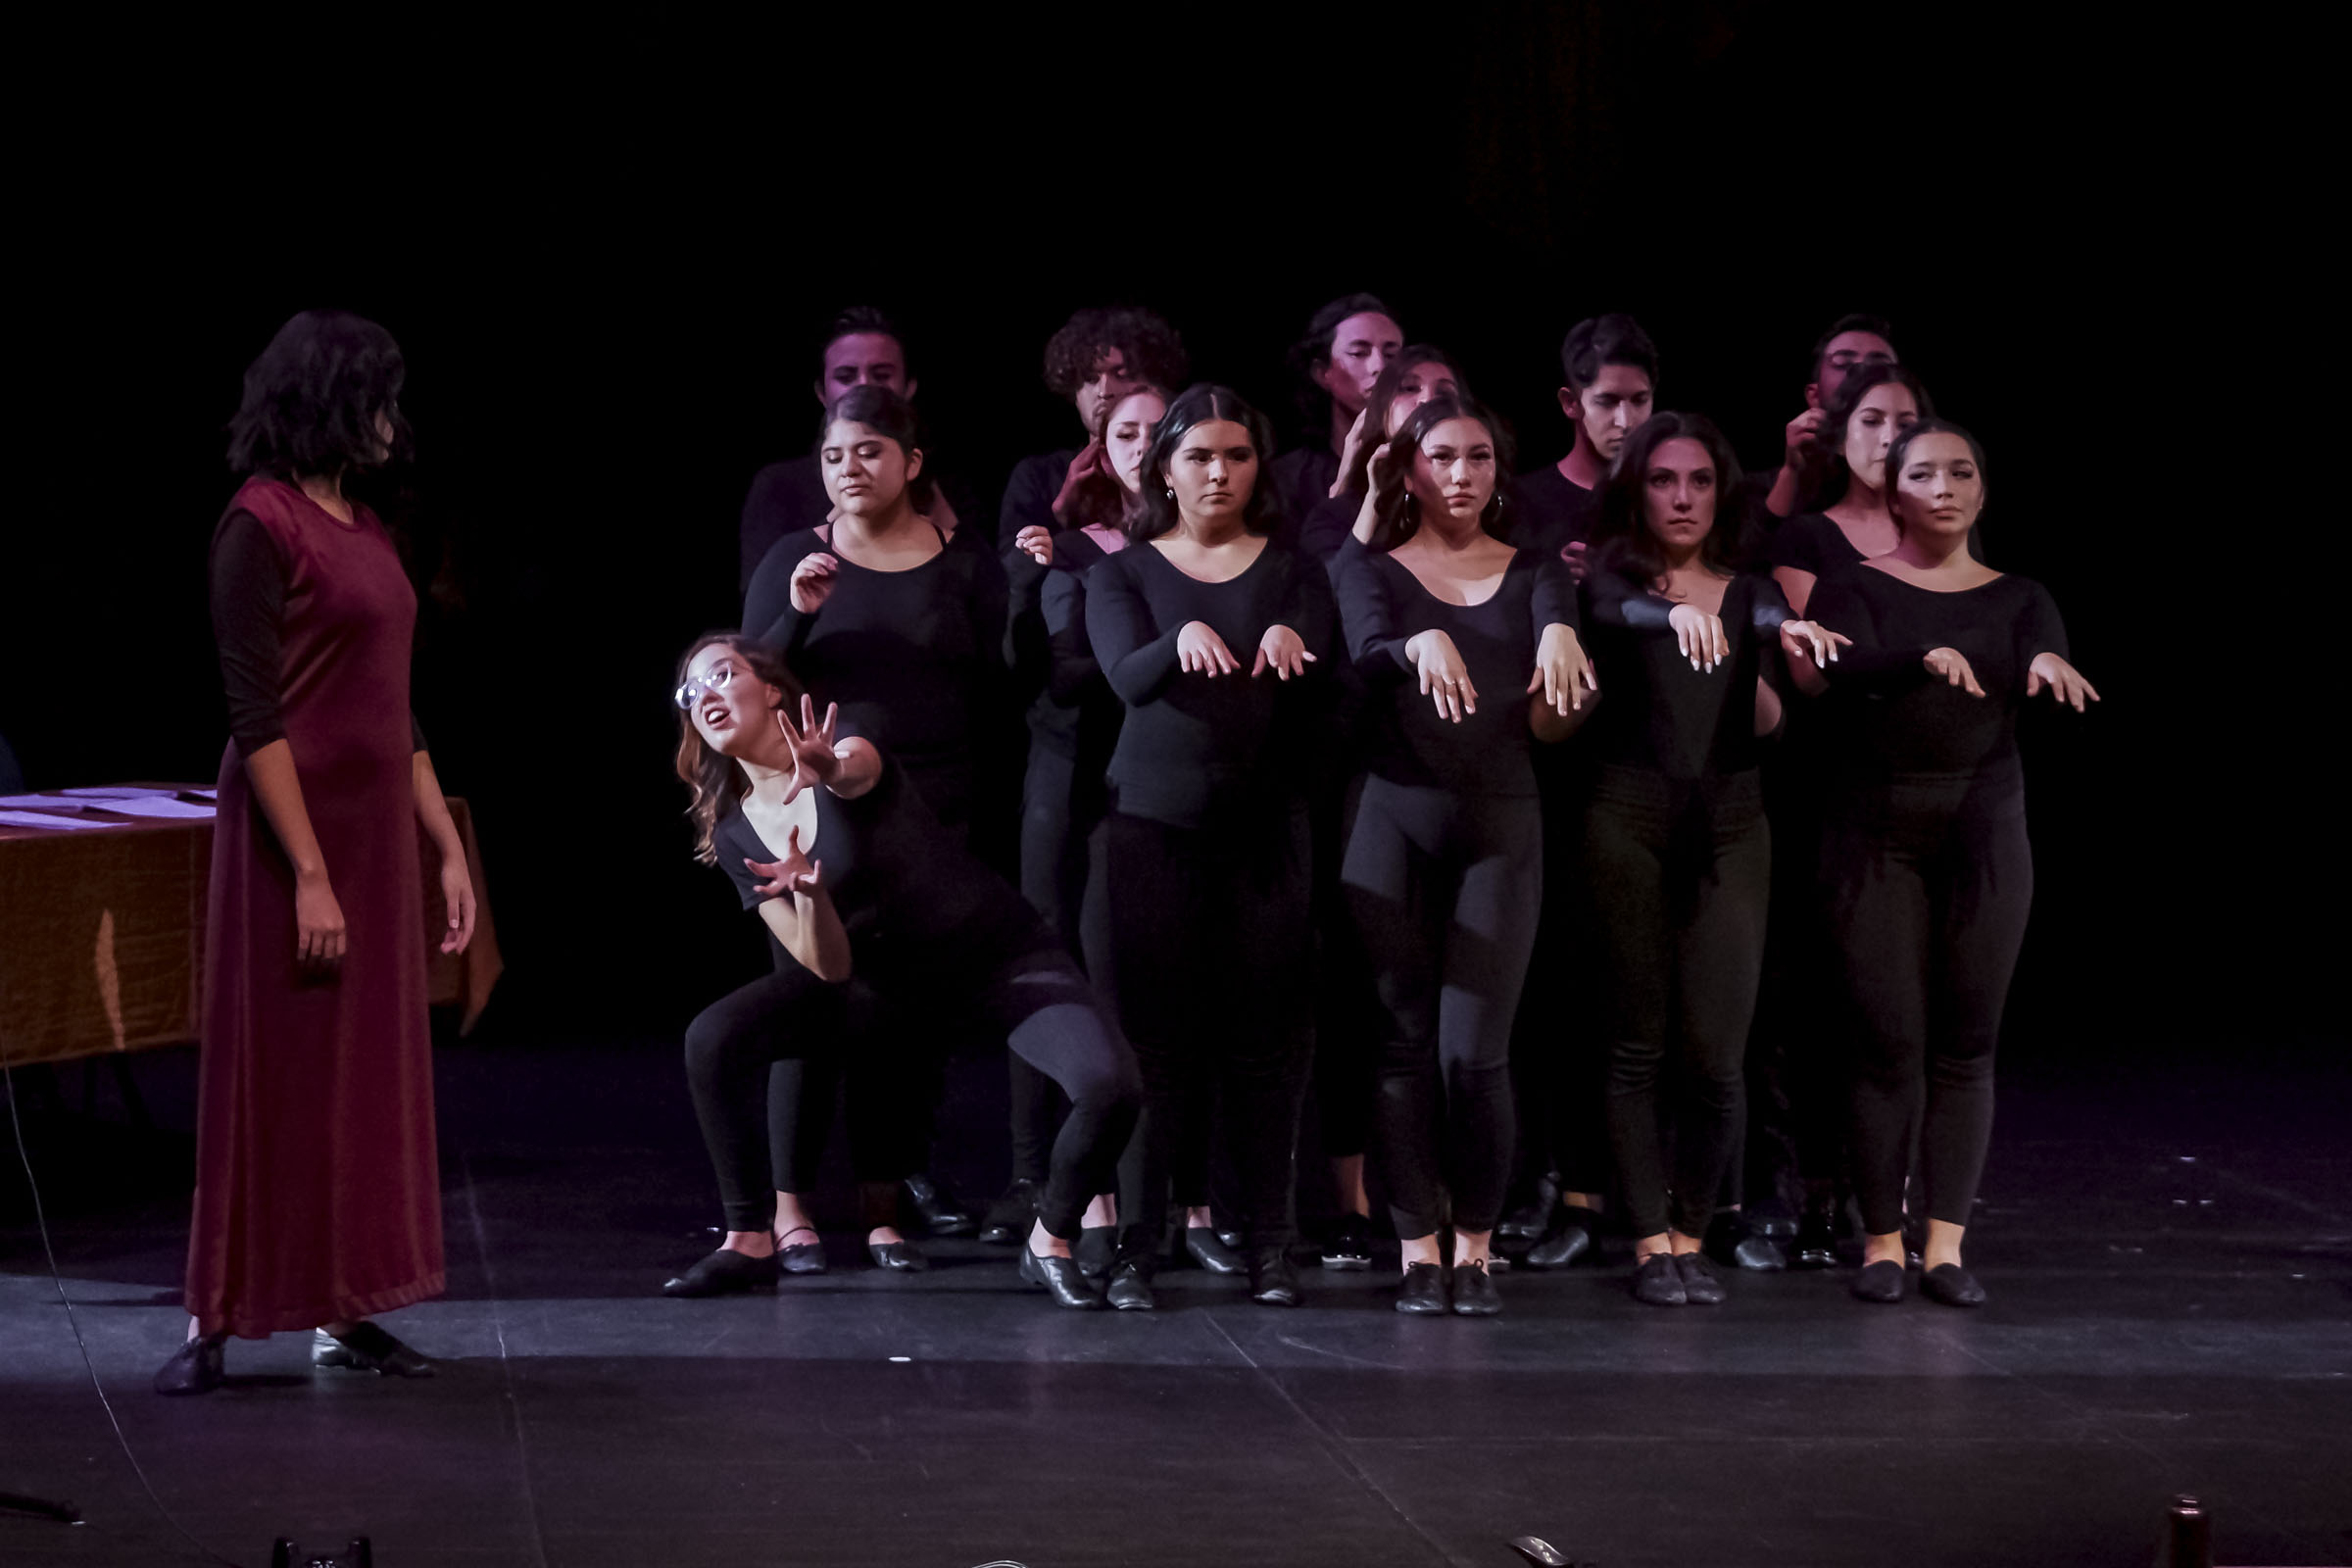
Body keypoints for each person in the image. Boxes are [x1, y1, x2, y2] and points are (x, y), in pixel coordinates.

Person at [157, 311, 478, 1396]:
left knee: (362, 1083)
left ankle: (350, 1308)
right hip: (291, 841)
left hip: (375, 838)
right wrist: (308, 872)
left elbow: (397, 706)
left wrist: (445, 847)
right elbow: (258, 714)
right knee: (277, 1075)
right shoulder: (260, 524)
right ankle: (217, 1311)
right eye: (379, 400)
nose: (394, 423)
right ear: (333, 401)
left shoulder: (372, 527)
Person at [665, 636, 1142, 1310]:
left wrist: (824, 767)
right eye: (691, 692)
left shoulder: (848, 738)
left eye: (721, 675)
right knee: (711, 1037)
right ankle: (748, 1238)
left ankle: (1050, 1238)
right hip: (881, 987)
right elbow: (825, 966)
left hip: (991, 956)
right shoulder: (742, 832)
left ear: (771, 688)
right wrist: (812, 893)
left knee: (1111, 1086)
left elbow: (856, 770)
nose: (705, 695)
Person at [1797, 419, 2096, 1308]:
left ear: (1982, 489)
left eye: (1961, 471)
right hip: (1876, 834)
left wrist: (2045, 660)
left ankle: (1946, 1244)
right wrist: (1918, 658)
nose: (1944, 487)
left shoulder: (2020, 594)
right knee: (1887, 1043)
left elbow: (2043, 646)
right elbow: (1841, 671)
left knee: (1967, 1043)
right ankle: (1881, 1239)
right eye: (1923, 474)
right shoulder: (1856, 587)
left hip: (1983, 832)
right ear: (1894, 494)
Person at [742, 386, 1020, 1259]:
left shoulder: (963, 560)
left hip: (930, 812)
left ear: (912, 462)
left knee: (903, 1015)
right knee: (810, 1002)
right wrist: (798, 610)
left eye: (867, 451)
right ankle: (790, 1208)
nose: (849, 469)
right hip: (816, 813)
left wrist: (1041, 577)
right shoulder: (798, 555)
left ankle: (883, 1205)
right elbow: (750, 687)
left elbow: (1004, 678)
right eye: (834, 456)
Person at [1331, 397, 1593, 1315]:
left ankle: (1475, 1247)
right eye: (1441, 457)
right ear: (1407, 472)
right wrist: (1418, 639)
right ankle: (1415, 1248)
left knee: (1475, 1055)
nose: (1461, 474)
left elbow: (1557, 723)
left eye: (1479, 457)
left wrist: (1563, 643)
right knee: (1402, 1049)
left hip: (1500, 826)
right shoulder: (1371, 568)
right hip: (1391, 823)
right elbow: (1363, 656)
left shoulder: (1536, 576)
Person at [1577, 413, 1845, 1308]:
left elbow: (1763, 605)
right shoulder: (1605, 581)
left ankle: (1692, 1230)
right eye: (1663, 480)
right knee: (1635, 1045)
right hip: (1629, 814)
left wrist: (1788, 629)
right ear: (1636, 489)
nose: (1682, 497)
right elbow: (1622, 610)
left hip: (1732, 821)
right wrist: (1677, 611)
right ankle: (1650, 1240)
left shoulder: (1749, 589)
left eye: (1697, 481)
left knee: (1717, 1056)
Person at [1085, 384, 1336, 1308]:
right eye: (1198, 456)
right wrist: (1181, 633)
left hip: (1266, 834)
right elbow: (1124, 674)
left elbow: (1326, 667)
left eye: (1235, 455)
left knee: (1267, 1051)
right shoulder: (1126, 572)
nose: (1218, 472)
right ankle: (1139, 1248)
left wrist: (1289, 636)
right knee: (1156, 1052)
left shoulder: (1294, 569)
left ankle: (1271, 1243)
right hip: (1153, 833)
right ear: (1165, 470)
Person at [988, 385, 1163, 1294]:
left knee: (1148, 1004)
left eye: (1154, 431)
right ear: (1099, 445)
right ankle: (1070, 1204)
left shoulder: (1198, 553)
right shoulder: (1067, 550)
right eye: (1122, 432)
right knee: (1063, 994)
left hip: (1161, 800)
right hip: (1070, 790)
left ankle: (1155, 1214)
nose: (1141, 446)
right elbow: (1043, 682)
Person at [737, 308, 973, 591]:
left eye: (882, 374)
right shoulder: (780, 486)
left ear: (909, 388)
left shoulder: (948, 483)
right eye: (846, 377)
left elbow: (984, 584)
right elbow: (760, 602)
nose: (865, 387)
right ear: (822, 393)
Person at [998, 306, 1190, 547]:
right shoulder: (1038, 477)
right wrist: (1061, 519)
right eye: (1090, 379)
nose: (1104, 391)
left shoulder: (1185, 470)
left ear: (1153, 381)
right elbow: (1009, 578)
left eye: (1122, 373)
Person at [1768, 363, 1936, 615]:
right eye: (1871, 421)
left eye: (1905, 425)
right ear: (1840, 439)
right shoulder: (1804, 538)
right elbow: (1808, 649)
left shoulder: (1944, 526)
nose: (1890, 438)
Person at [1509, 313, 1658, 564]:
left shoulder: (1667, 497)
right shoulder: (1521, 502)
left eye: (1639, 400)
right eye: (1607, 402)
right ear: (1570, 403)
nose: (1625, 421)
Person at [1297, 346, 1469, 560]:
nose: (1427, 400)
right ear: (1380, 411)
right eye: (1408, 388)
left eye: (1444, 393)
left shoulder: (1494, 500)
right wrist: (1369, 503)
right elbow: (1330, 585)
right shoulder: (1335, 515)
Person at [1271, 294, 1404, 527]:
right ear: (1322, 373)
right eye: (1359, 353)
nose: (1380, 367)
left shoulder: (1426, 463)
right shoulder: (1287, 478)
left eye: (1391, 355)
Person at [1756, 313, 1899, 522]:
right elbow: (1754, 552)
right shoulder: (1764, 487)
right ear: (1814, 396)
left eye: (1879, 365)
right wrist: (1791, 473)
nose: (1862, 372)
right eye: (1843, 363)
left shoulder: (1932, 476)